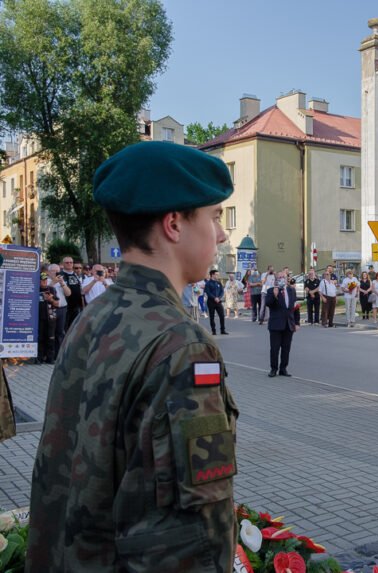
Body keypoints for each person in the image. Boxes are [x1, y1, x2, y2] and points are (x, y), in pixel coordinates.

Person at [27, 141, 239, 571]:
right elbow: (188, 539)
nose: (221, 234)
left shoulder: (92, 317)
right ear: (175, 224)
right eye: (214, 217)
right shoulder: (182, 345)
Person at [266, 272, 301, 377]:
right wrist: (275, 295)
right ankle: (273, 369)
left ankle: (283, 369)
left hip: (289, 324)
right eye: (279, 278)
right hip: (276, 325)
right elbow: (268, 303)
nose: (281, 279)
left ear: (287, 279)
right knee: (275, 348)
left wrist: (297, 322)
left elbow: (296, 308)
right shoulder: (271, 290)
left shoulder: (291, 290)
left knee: (286, 348)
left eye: (283, 277)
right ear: (276, 280)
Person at [47, 263, 71, 352]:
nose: (56, 273)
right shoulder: (47, 281)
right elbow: (46, 290)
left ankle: (59, 353)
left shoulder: (62, 281)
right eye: (54, 271)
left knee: (60, 332)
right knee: (50, 332)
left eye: (58, 271)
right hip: (51, 309)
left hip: (62, 309)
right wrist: (53, 282)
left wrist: (62, 283)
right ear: (49, 272)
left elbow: (68, 293)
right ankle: (50, 354)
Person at [37, 272, 59, 364]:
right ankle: (39, 358)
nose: (44, 282)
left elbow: (57, 304)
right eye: (42, 280)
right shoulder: (35, 289)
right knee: (40, 338)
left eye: (45, 280)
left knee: (51, 338)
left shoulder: (52, 289)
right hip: (39, 318)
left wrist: (50, 299)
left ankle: (50, 358)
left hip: (50, 318)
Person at [59, 256, 84, 328]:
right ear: (63, 264)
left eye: (71, 262)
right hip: (66, 306)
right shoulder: (61, 275)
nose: (69, 264)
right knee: (65, 327)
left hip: (77, 306)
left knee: (74, 327)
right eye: (67, 262)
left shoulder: (76, 274)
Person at [205, 269, 228, 336]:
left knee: (222, 316)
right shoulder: (208, 283)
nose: (218, 276)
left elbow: (222, 291)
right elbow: (208, 292)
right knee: (212, 317)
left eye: (218, 274)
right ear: (212, 275)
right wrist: (214, 298)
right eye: (216, 274)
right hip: (211, 302)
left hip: (218, 302)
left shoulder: (218, 283)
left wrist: (219, 298)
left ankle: (222, 330)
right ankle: (213, 331)